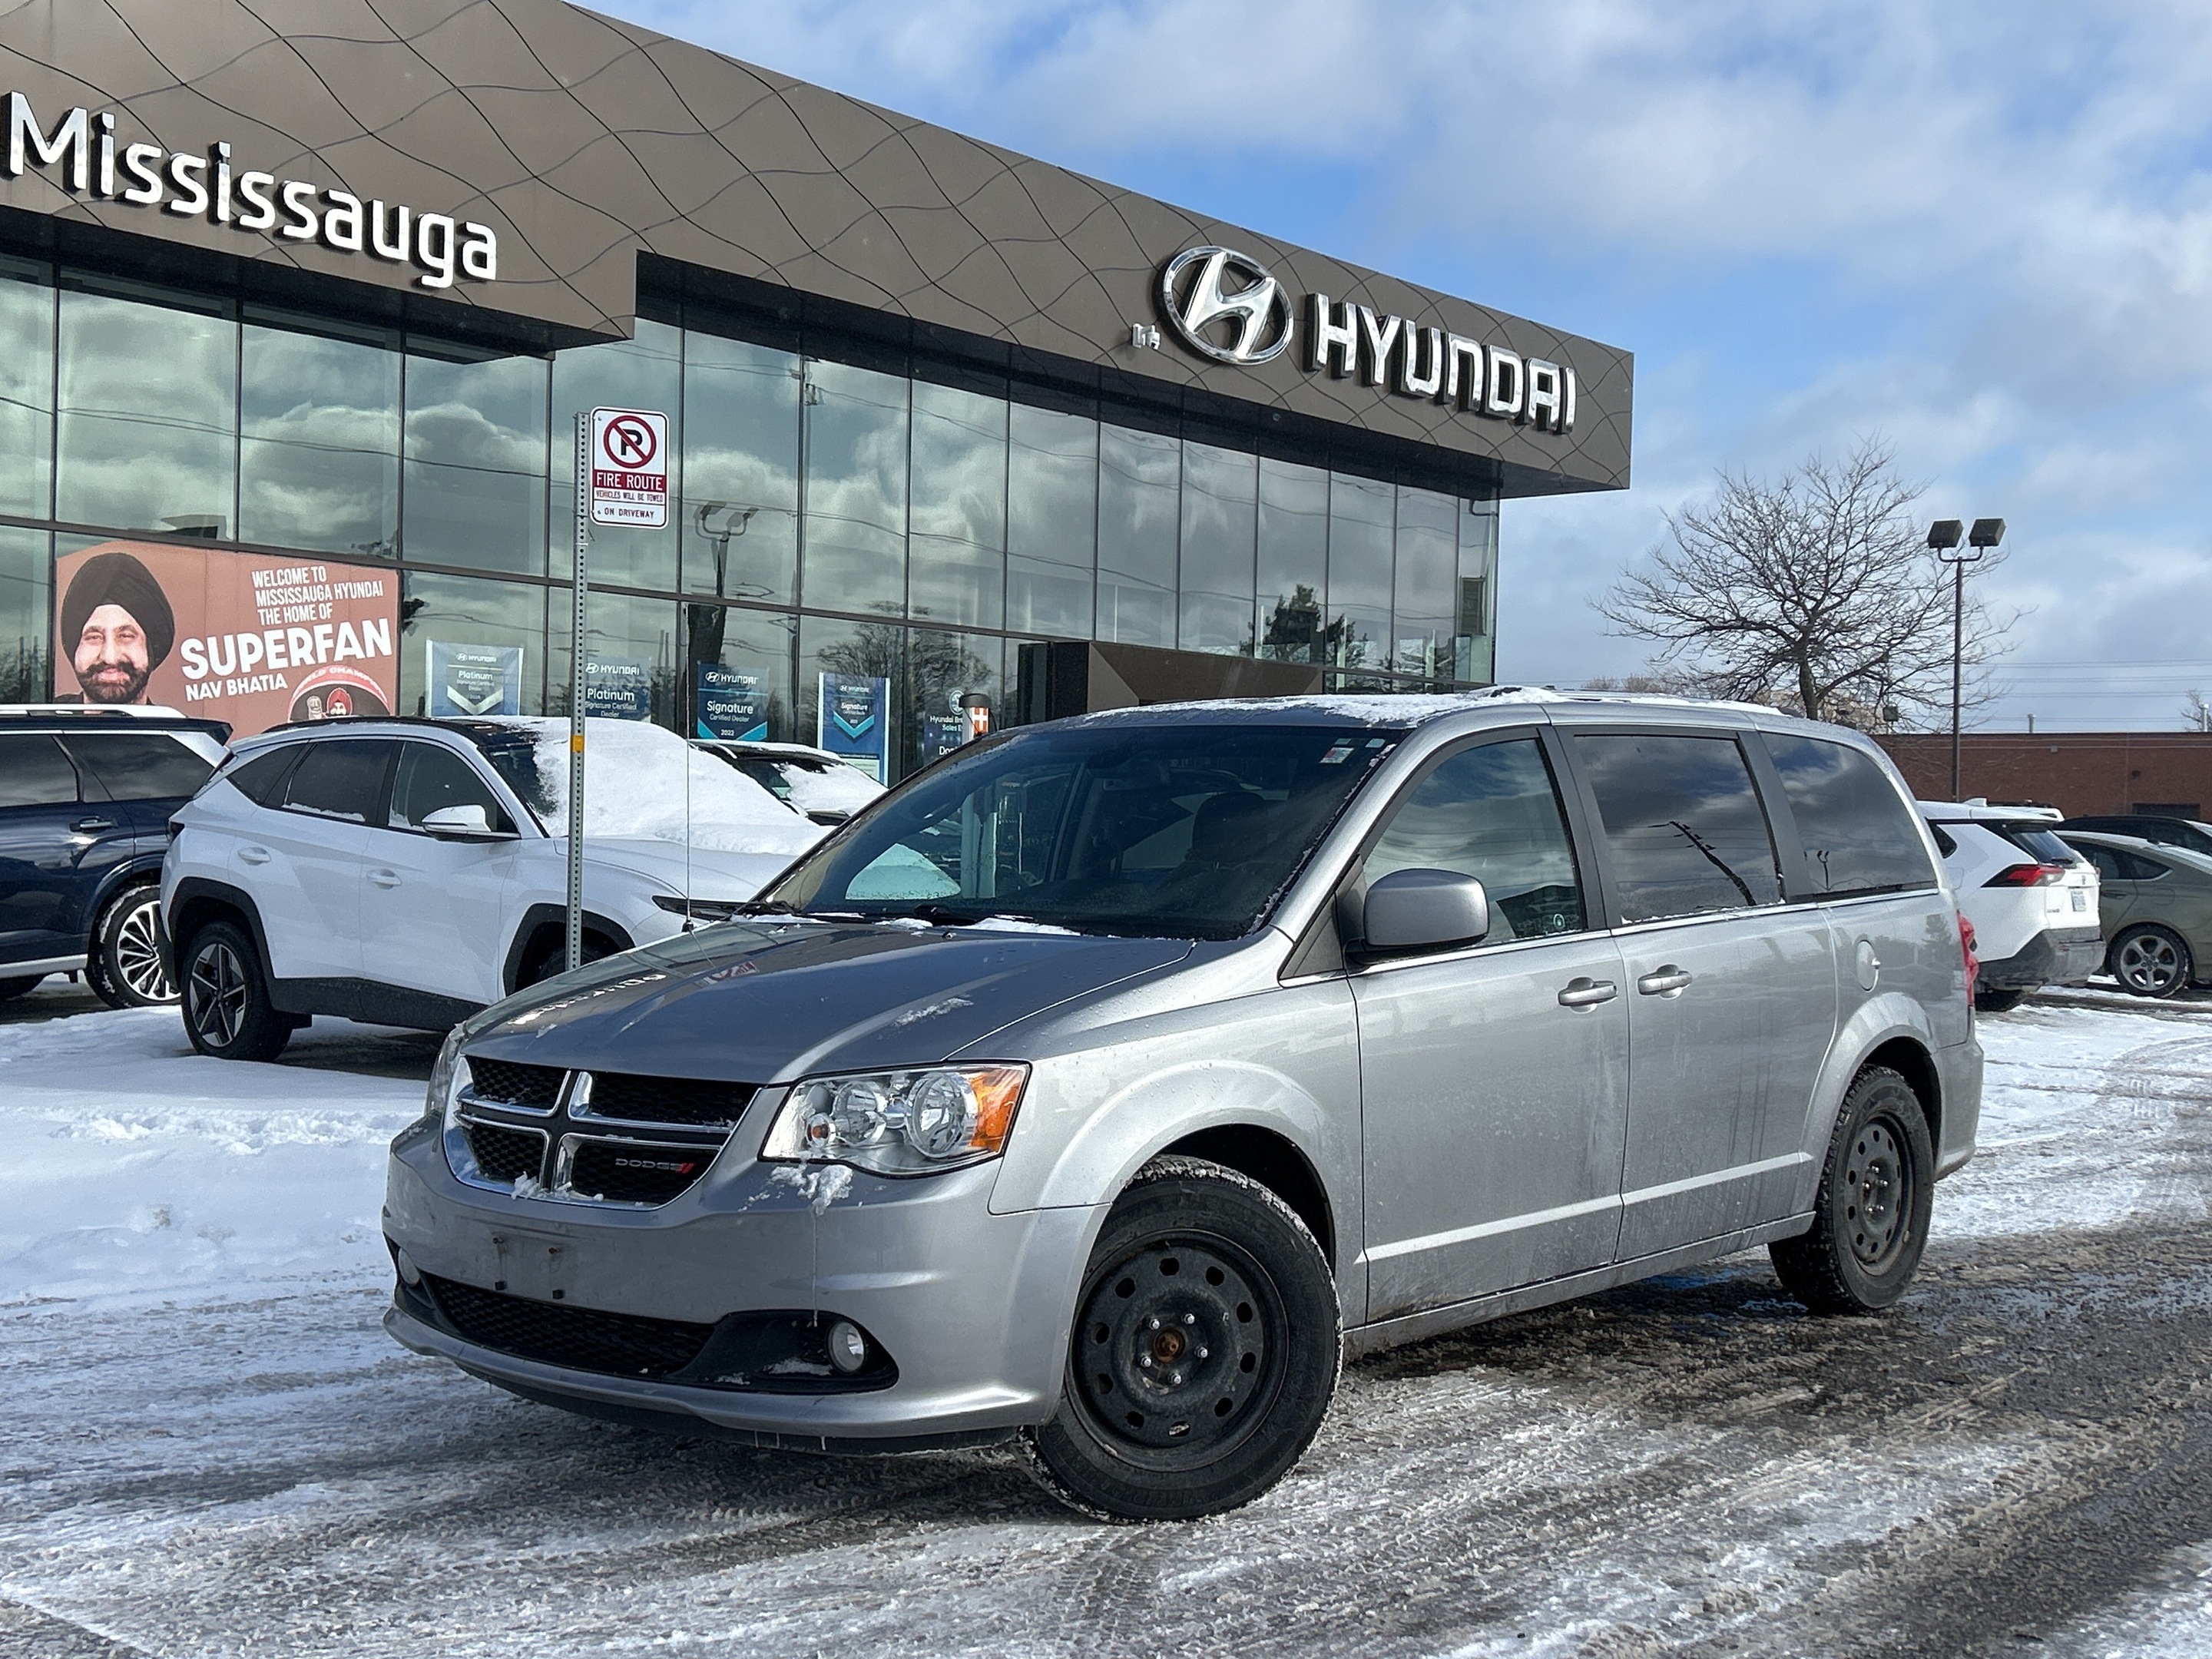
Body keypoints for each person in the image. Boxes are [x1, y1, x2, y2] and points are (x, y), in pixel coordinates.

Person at [59, 551, 174, 706]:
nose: (110, 657)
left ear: (150, 650)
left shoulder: (180, 730)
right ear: (75, 649)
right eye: (94, 637)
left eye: (125, 636)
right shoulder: (38, 729)